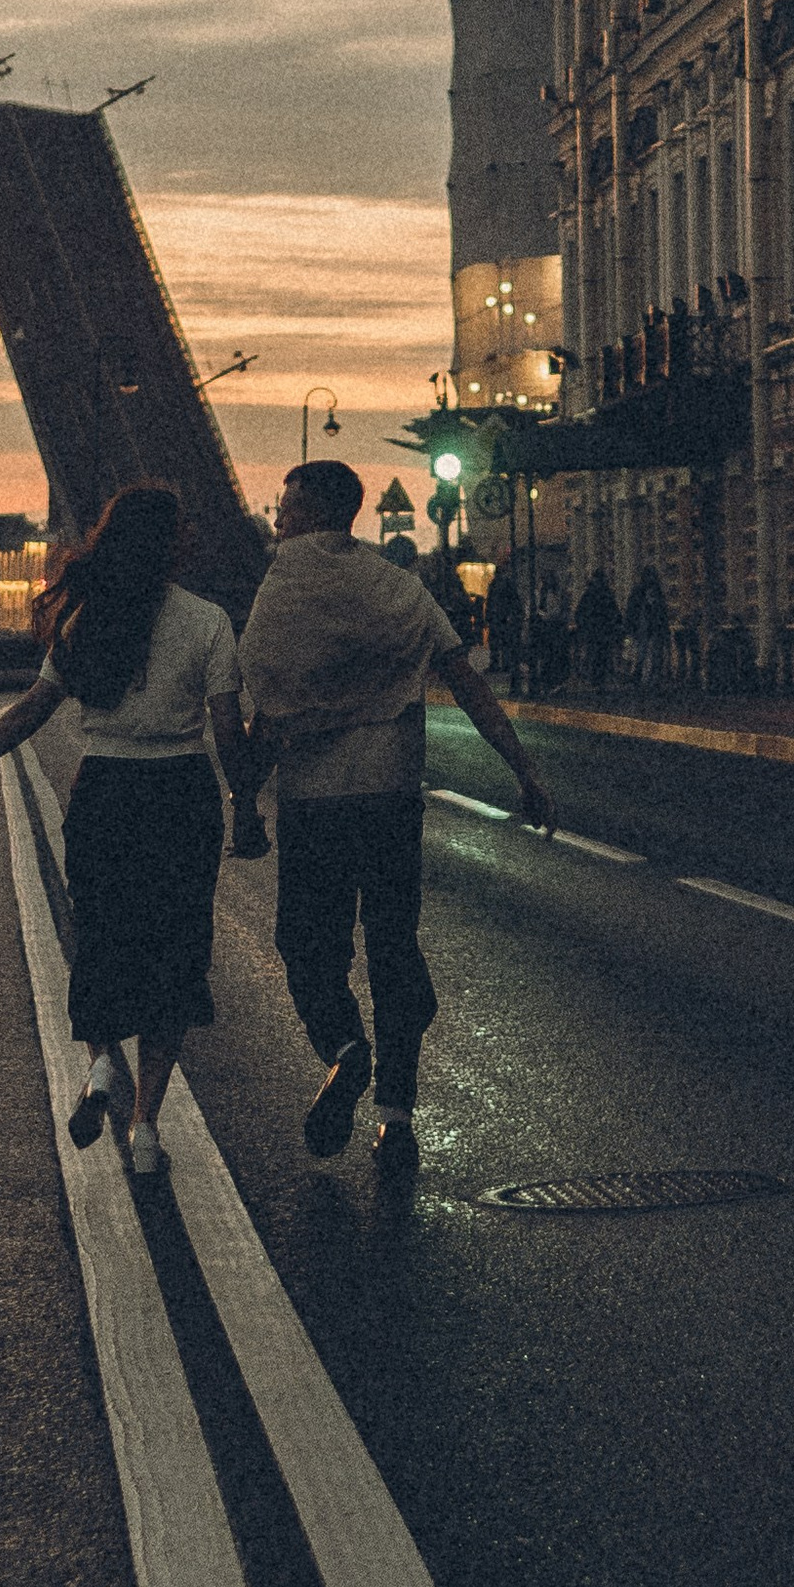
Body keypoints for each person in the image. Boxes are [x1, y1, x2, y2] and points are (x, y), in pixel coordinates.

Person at [0, 483, 255, 1181]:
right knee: (174, 952)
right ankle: (145, 1129)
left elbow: (30, 712)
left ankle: (103, 1062)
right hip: (179, 796)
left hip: (104, 791)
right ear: (169, 542)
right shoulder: (207, 622)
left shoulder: (87, 620)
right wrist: (246, 805)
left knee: (103, 937)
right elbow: (228, 732)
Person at [239, 456, 555, 1173]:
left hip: (314, 802)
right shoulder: (398, 588)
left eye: (287, 510)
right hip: (389, 797)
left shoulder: (281, 588)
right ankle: (396, 1114)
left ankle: (345, 1049)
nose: (279, 520)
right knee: (393, 948)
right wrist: (523, 770)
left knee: (307, 946)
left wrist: (242, 799)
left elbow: (267, 706)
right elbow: (467, 683)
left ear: (317, 512)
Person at [572, 565, 621, 691]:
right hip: (599, 630)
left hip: (596, 630)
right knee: (600, 655)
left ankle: (596, 679)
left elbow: (580, 613)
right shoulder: (603, 593)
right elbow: (613, 612)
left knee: (597, 655)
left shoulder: (592, 593)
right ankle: (598, 679)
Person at [626, 564, 670, 691]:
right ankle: (644, 678)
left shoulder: (645, 591)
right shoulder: (650, 591)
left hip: (650, 628)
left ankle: (647, 678)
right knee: (644, 654)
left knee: (648, 654)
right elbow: (661, 612)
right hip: (646, 628)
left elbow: (661, 612)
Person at [484, 564, 525, 696]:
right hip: (499, 617)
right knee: (497, 642)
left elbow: (507, 600)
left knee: (502, 642)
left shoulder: (501, 584)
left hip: (501, 617)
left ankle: (501, 663)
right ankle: (499, 662)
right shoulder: (498, 584)